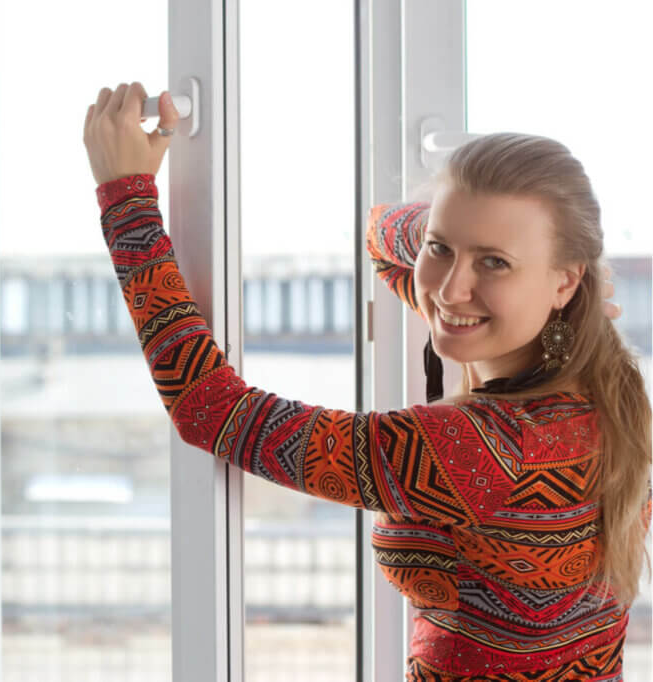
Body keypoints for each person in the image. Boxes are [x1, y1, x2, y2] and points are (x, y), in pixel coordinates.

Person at [83, 81, 652, 680]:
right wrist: (502, 256)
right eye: (441, 249)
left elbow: (211, 409)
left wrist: (125, 199)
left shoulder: (464, 451)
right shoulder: (609, 392)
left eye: (494, 262)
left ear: (566, 282)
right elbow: (388, 242)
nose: (451, 289)